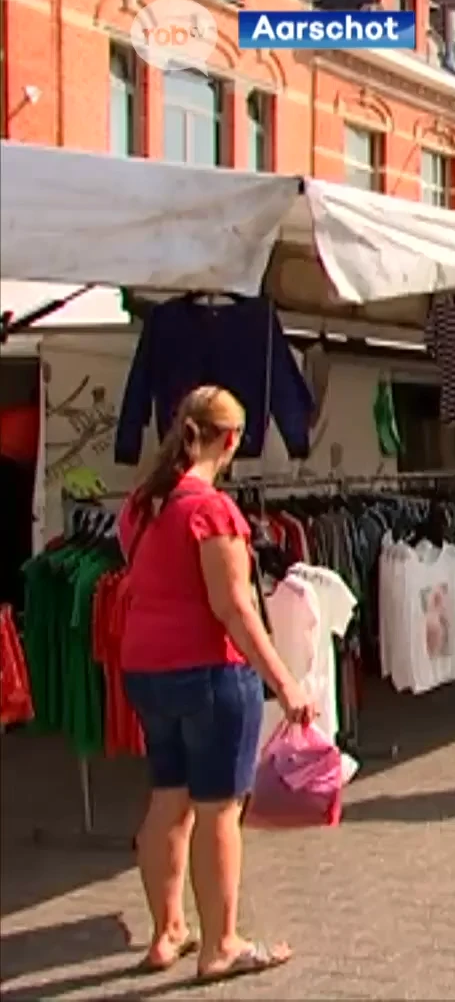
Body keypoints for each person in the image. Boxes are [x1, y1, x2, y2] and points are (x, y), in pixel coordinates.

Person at [117, 386, 313, 983]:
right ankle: (220, 944)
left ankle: (166, 931)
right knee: (219, 810)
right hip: (207, 671)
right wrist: (286, 682)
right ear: (230, 441)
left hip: (146, 669)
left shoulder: (142, 505)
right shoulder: (212, 512)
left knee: (167, 801)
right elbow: (234, 608)